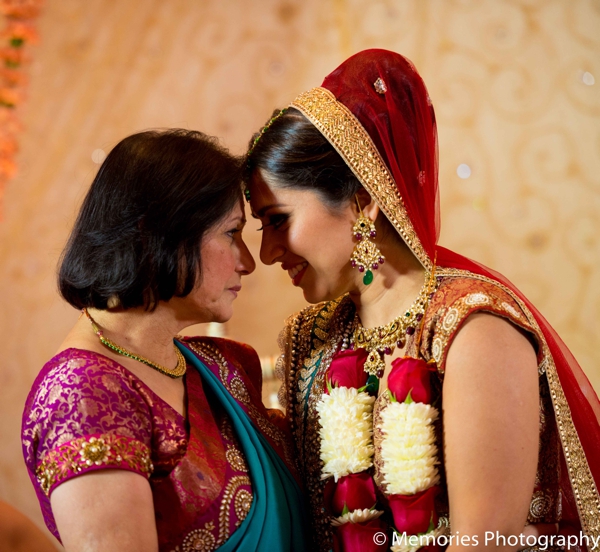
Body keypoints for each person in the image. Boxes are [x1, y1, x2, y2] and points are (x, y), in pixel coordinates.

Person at [245, 49, 600, 551]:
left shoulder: (472, 329)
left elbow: (485, 544)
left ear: (362, 200)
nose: (265, 253)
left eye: (278, 220)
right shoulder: (309, 339)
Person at [21, 129, 309, 552]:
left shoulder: (217, 368)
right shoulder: (80, 395)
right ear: (161, 233)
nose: (248, 262)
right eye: (232, 233)